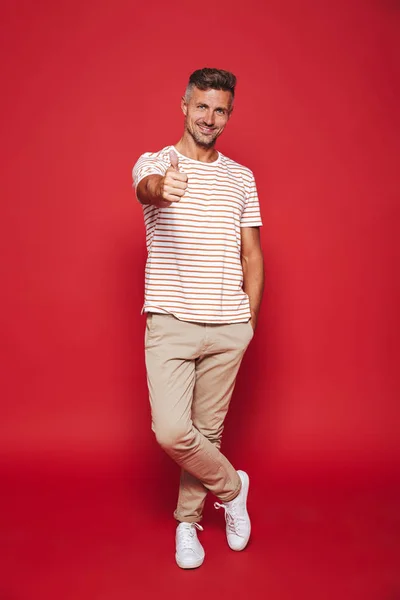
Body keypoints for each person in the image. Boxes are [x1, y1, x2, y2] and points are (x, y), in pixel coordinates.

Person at [132, 68, 264, 569]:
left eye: (220, 109)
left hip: (229, 325)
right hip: (170, 322)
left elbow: (252, 254)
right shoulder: (156, 163)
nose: (210, 118)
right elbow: (146, 190)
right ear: (184, 106)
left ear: (229, 114)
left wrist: (247, 323)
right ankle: (233, 487)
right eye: (202, 106)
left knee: (206, 435)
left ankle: (188, 524)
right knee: (171, 431)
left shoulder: (242, 177)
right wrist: (161, 188)